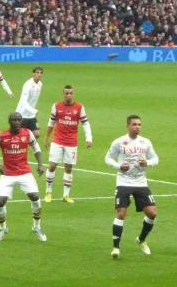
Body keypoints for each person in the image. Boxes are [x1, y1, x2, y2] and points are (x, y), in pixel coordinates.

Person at [104, 115, 159, 259]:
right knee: (121, 213)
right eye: (134, 124)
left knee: (152, 213)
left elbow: (155, 158)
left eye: (139, 124)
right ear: (128, 126)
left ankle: (141, 239)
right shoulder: (119, 142)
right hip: (123, 182)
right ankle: (116, 247)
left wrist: (147, 162)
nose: (138, 127)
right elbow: (108, 158)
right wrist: (118, 166)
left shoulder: (145, 142)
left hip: (141, 183)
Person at [0, 111, 46, 242]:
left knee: (35, 197)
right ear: (10, 122)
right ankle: (2, 228)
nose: (18, 122)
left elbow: (36, 148)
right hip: (8, 174)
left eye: (19, 120)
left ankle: (37, 227)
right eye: (15, 120)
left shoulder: (27, 133)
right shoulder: (0, 136)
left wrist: (40, 165)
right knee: (0, 201)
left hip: (24, 172)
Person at [43, 85, 92, 203]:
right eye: (67, 93)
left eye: (71, 93)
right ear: (63, 94)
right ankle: (48, 191)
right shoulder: (56, 106)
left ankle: (65, 195)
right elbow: (51, 122)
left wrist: (88, 137)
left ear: (73, 94)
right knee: (52, 165)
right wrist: (46, 138)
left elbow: (85, 123)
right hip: (57, 140)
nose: (69, 95)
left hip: (71, 142)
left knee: (68, 167)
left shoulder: (79, 107)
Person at [16, 66, 44, 141]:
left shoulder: (40, 84)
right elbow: (23, 101)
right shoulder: (28, 85)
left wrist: (32, 112)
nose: (39, 74)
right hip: (22, 114)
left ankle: (29, 145)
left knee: (36, 134)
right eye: (37, 72)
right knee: (19, 136)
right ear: (33, 74)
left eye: (41, 73)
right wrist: (33, 110)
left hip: (31, 115)